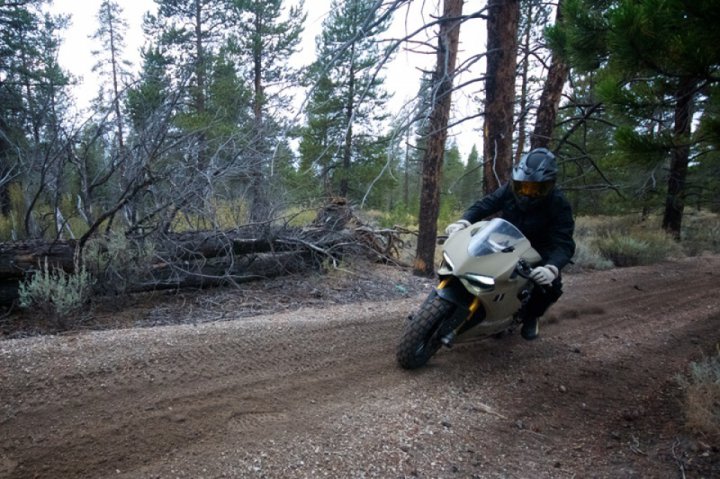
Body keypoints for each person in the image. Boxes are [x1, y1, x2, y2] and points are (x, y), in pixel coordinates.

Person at [444, 147, 575, 340]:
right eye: (523, 186)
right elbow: (485, 204)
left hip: (540, 250)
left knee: (549, 287)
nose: (527, 194)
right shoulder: (509, 190)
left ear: (549, 185)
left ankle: (532, 316)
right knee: (475, 263)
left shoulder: (559, 203)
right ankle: (456, 304)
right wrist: (464, 221)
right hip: (507, 239)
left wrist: (552, 268)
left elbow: (564, 243)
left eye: (536, 189)